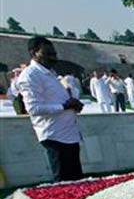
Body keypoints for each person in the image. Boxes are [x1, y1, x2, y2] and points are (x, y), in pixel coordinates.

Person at [17, 37, 84, 181]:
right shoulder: (30, 75)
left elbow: (60, 98)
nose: (53, 58)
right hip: (54, 136)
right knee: (64, 184)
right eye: (47, 54)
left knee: (78, 182)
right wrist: (65, 106)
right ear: (34, 53)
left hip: (69, 134)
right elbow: (33, 108)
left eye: (54, 54)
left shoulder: (51, 73)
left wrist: (74, 104)